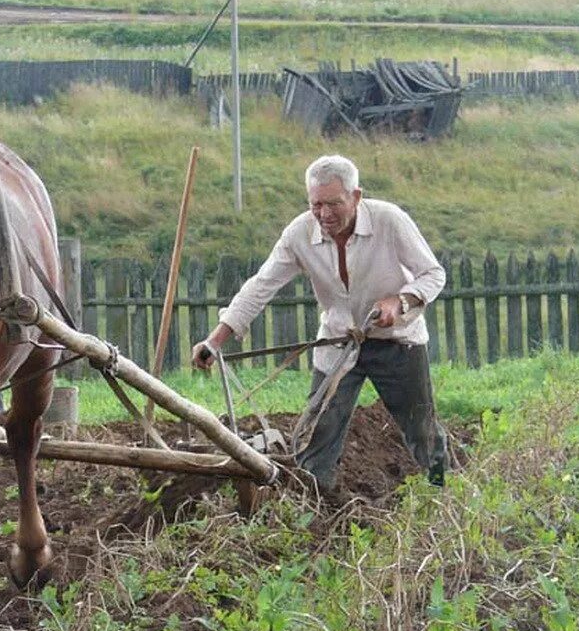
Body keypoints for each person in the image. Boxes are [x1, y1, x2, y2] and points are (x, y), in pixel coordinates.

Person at [191, 154, 448, 495]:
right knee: (317, 432)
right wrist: (216, 340)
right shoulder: (300, 233)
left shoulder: (389, 220)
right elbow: (261, 285)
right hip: (338, 343)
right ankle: (313, 511)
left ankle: (445, 493)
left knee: (421, 428)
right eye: (316, 204)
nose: (324, 215)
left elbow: (434, 274)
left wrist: (400, 301)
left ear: (356, 197)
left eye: (334, 204)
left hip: (397, 340)